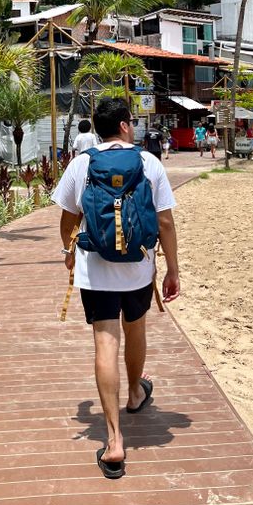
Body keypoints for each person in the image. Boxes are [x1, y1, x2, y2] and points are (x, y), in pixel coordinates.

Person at [53, 97, 180, 480]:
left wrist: (69, 252)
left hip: (96, 271)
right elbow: (167, 223)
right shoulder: (148, 163)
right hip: (139, 267)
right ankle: (135, 394)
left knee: (105, 342)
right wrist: (172, 269)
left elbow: (66, 219)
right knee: (135, 329)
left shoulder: (82, 163)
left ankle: (113, 440)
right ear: (125, 125)